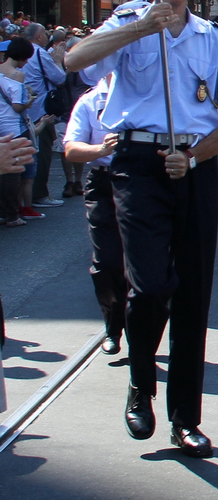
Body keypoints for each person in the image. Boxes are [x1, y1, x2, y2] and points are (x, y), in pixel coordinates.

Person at [66, 0, 218, 458]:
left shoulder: (213, 39)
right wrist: (135, 29)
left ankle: (186, 419)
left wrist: (197, 156)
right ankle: (139, 381)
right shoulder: (127, 22)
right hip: (136, 161)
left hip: (191, 165)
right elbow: (74, 61)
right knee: (151, 282)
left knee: (193, 293)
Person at [63, 77, 127, 355]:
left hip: (143, 181)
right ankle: (113, 327)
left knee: (148, 259)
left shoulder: (148, 94)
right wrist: (101, 149)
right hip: (104, 182)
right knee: (107, 259)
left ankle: (144, 329)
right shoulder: (89, 101)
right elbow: (71, 149)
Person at [22, 21, 67, 207]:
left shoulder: (21, 53)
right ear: (38, 37)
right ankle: (39, 194)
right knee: (43, 153)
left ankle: (26, 196)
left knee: (26, 153)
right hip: (41, 109)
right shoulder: (39, 53)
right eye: (44, 34)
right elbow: (59, 77)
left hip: (24, 110)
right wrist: (58, 61)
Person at [0, 40, 34, 227]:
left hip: (0, 126)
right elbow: (17, 105)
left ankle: (3, 212)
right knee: (14, 173)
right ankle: (13, 214)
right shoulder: (17, 74)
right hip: (15, 127)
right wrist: (29, 100)